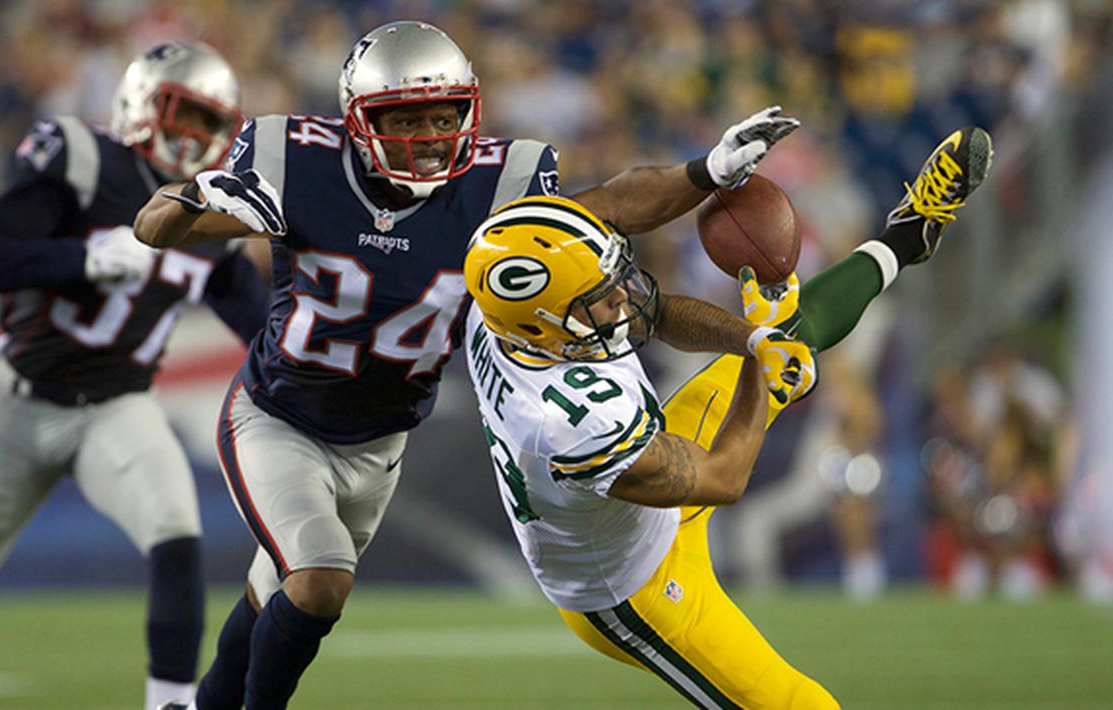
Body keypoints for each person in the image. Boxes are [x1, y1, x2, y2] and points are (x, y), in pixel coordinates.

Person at [134, 20, 802, 710]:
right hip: (279, 417)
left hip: (382, 440)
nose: (427, 135)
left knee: (274, 591)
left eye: (443, 115)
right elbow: (153, 226)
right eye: (405, 118)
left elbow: (611, 204)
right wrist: (196, 197)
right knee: (318, 582)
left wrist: (706, 172)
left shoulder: (495, 187)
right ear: (359, 120)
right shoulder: (297, 164)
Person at [462, 125, 992, 707]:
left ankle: (908, 234)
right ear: (541, 324)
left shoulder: (507, 312)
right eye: (598, 300)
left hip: (642, 477)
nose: (620, 299)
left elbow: (653, 306)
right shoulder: (567, 422)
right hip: (632, 586)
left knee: (785, 334)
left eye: (612, 283)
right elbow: (723, 477)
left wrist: (756, 338)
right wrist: (764, 369)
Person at [0, 41, 270, 710]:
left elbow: (259, 325)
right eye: (182, 113)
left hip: (119, 405)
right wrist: (82, 258)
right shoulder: (88, 164)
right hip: (21, 400)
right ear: (141, 103)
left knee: (176, 530)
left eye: (210, 123)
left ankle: (170, 701)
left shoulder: (210, 211)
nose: (192, 136)